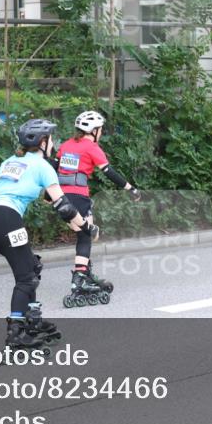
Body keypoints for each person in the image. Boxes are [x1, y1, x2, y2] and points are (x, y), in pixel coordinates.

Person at [0, 118, 99, 348]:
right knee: (26, 278)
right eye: (51, 139)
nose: (53, 143)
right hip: (6, 218)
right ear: (43, 142)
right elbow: (64, 207)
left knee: (31, 267)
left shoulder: (11, 161)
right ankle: (16, 333)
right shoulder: (43, 166)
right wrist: (86, 227)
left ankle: (32, 321)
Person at [54, 110, 141, 308]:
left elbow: (55, 168)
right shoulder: (92, 147)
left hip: (60, 197)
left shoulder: (66, 145)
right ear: (94, 131)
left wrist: (49, 197)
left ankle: (85, 272)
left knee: (84, 234)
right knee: (86, 236)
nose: (101, 133)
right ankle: (80, 279)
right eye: (100, 129)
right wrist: (131, 189)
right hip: (78, 197)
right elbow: (109, 172)